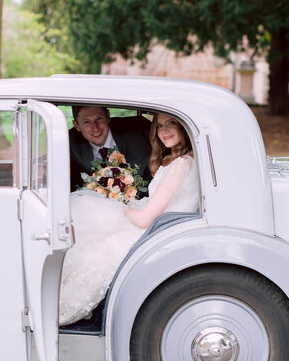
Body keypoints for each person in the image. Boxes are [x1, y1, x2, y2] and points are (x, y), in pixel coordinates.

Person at [59, 113, 199, 326]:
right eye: (159, 125)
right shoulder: (183, 161)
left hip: (153, 229)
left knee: (88, 217)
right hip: (157, 224)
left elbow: (144, 219)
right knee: (86, 213)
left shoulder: (181, 165)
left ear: (184, 126)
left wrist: (115, 205)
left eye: (172, 123)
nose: (164, 130)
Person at [69, 105, 152, 191]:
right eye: (87, 122)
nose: (95, 128)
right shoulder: (69, 143)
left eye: (99, 119)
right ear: (76, 125)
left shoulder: (139, 131)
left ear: (108, 116)